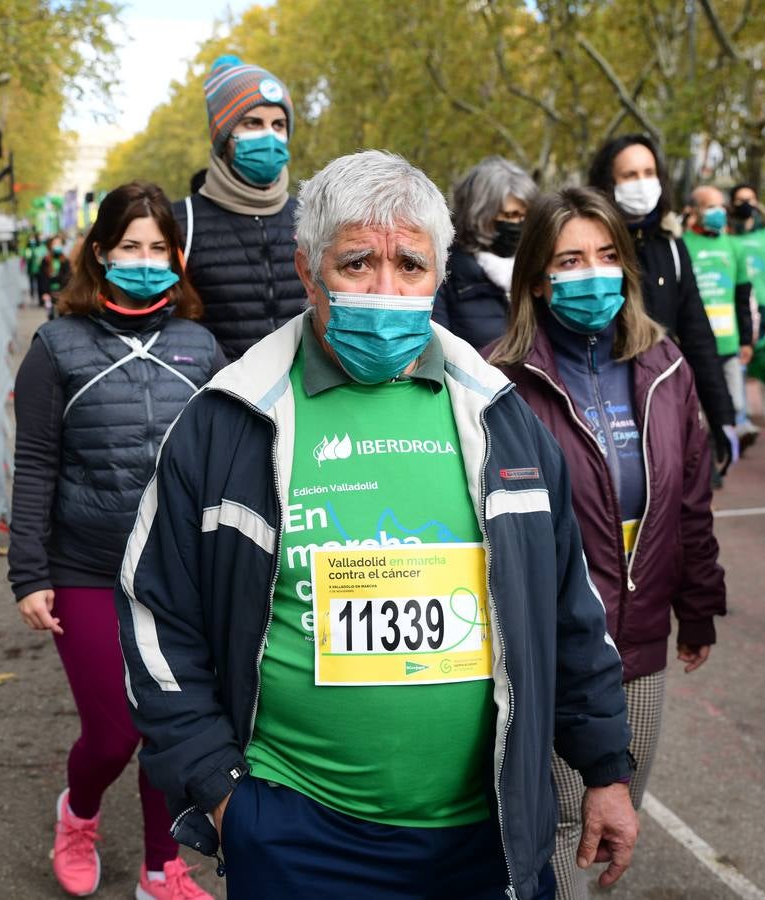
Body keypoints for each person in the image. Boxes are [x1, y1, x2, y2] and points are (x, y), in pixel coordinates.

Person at [116, 150, 638, 900]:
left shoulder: (502, 419)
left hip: (484, 837)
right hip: (295, 834)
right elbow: (154, 614)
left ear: (440, 272)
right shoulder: (227, 421)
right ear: (307, 271)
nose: (388, 291)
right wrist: (224, 795)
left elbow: (569, 612)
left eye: (411, 266)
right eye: (358, 263)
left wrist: (605, 770)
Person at [485, 187, 725, 900]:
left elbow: (690, 499)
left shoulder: (667, 368)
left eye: (606, 255)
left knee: (614, 819)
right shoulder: (499, 382)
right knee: (559, 825)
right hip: (546, 650)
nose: (593, 273)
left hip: (643, 639)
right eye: (569, 259)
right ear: (537, 277)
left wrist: (701, 604)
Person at [9, 183, 223, 900]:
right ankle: (78, 813)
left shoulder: (201, 346)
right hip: (86, 569)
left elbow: (223, 460)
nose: (144, 260)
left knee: (175, 727)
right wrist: (27, 573)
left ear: (177, 257)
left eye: (158, 247)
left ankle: (164, 866)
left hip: (179, 574)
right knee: (114, 734)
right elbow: (36, 462)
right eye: (129, 246)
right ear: (98, 253)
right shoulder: (54, 347)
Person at [588, 134, 740, 470]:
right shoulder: (591, 244)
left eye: (649, 172)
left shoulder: (671, 245)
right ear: (608, 182)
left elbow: (697, 333)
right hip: (601, 407)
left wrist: (721, 414)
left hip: (661, 401)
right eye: (630, 175)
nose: (642, 184)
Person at [172, 55, 307, 359]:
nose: (269, 136)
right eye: (252, 123)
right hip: (218, 398)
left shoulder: (310, 217)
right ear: (223, 136)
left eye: (279, 124)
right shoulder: (181, 222)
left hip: (303, 401)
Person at [433, 155, 537, 348]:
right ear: (480, 213)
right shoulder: (444, 271)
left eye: (524, 216)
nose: (517, 224)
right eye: (509, 215)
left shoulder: (537, 266)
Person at [682, 186, 755, 462]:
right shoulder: (683, 244)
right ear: (693, 210)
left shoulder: (733, 246)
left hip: (728, 344)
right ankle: (707, 461)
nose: (718, 212)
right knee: (697, 410)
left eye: (721, 206)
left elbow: (743, 295)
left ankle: (720, 445)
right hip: (695, 347)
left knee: (733, 404)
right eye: (709, 206)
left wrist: (746, 339)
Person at [730, 183, 765, 338]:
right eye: (740, 200)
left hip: (764, 306)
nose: (746, 204)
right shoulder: (726, 236)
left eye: (750, 199)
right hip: (734, 308)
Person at [41, 235, 71, 320]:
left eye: (59, 243)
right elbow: (43, 277)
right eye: (55, 243)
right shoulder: (46, 260)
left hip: (62, 293)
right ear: (50, 245)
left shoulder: (65, 260)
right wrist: (44, 293)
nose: (57, 245)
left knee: (63, 316)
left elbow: (68, 277)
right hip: (50, 292)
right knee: (51, 316)